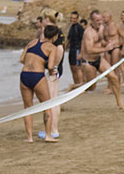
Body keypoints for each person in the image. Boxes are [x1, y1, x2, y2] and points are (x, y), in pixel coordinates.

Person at [81, 10, 124, 111]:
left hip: (98, 59)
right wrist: (105, 49)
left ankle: (120, 104)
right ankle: (74, 87)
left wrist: (107, 43)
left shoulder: (101, 28)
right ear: (92, 21)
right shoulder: (88, 32)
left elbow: (101, 41)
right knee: (91, 87)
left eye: (101, 20)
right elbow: (89, 49)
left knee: (114, 78)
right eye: (97, 20)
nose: (100, 22)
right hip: (88, 62)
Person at [19, 25, 60, 143]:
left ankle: (29, 137)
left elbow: (22, 59)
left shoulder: (32, 42)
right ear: (55, 36)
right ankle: (48, 135)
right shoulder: (52, 47)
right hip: (37, 76)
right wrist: (50, 70)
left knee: (28, 108)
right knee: (47, 106)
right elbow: (51, 66)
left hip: (24, 75)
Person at [38, 9, 65, 139]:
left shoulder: (54, 33)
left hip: (52, 71)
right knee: (52, 99)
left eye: (42, 18)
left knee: (52, 99)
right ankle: (51, 128)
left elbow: (59, 49)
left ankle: (53, 129)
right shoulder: (55, 31)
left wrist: (53, 67)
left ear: (47, 19)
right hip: (52, 69)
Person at [102, 10, 124, 86]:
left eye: (104, 17)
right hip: (108, 49)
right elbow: (103, 39)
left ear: (109, 17)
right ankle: (109, 86)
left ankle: (117, 85)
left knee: (115, 68)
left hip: (116, 48)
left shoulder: (116, 25)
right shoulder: (104, 27)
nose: (103, 18)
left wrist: (123, 49)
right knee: (108, 69)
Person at [66, 11, 85, 86]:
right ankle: (76, 84)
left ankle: (81, 85)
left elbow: (83, 40)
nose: (72, 20)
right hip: (72, 50)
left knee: (78, 68)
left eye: (74, 18)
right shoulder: (72, 27)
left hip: (77, 49)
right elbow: (68, 39)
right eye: (71, 18)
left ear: (77, 19)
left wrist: (81, 52)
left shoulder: (79, 27)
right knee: (72, 68)